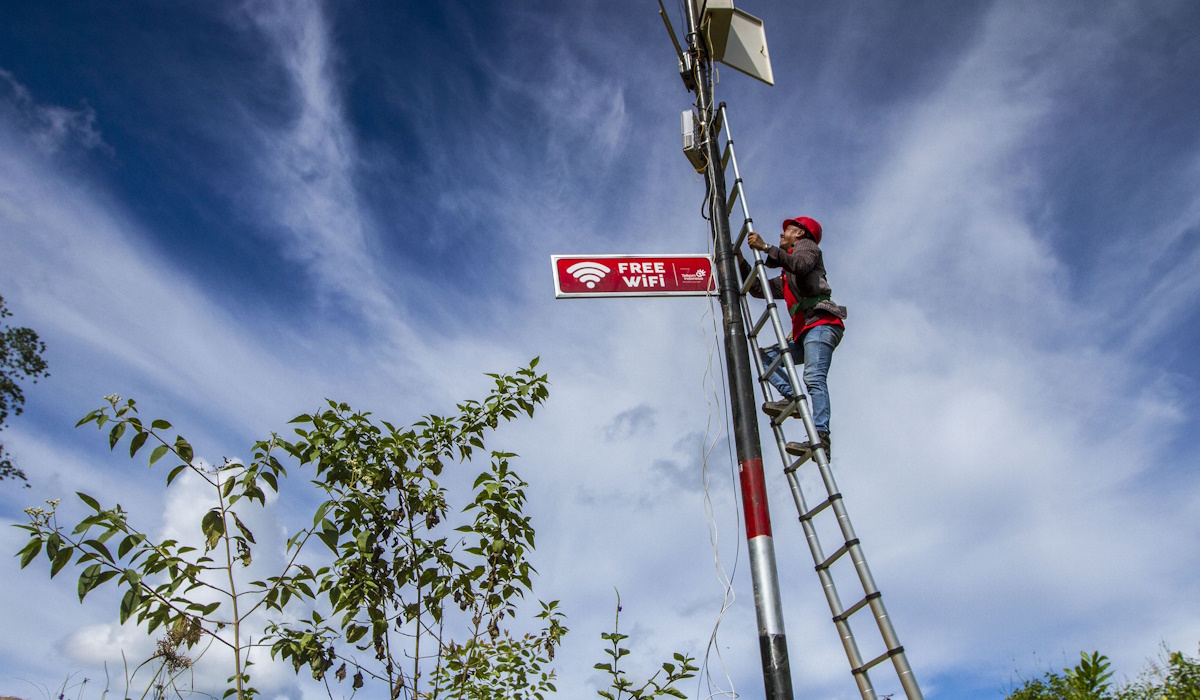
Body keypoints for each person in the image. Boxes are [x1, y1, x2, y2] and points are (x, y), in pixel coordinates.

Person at [740, 216, 846, 458]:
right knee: (767, 357)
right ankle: (792, 399)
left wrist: (766, 247)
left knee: (813, 376)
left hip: (821, 324)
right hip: (805, 331)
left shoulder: (808, 249)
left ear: (800, 234)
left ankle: (821, 437)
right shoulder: (787, 278)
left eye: (787, 229)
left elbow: (799, 264)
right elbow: (758, 289)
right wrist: (740, 259)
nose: (781, 233)